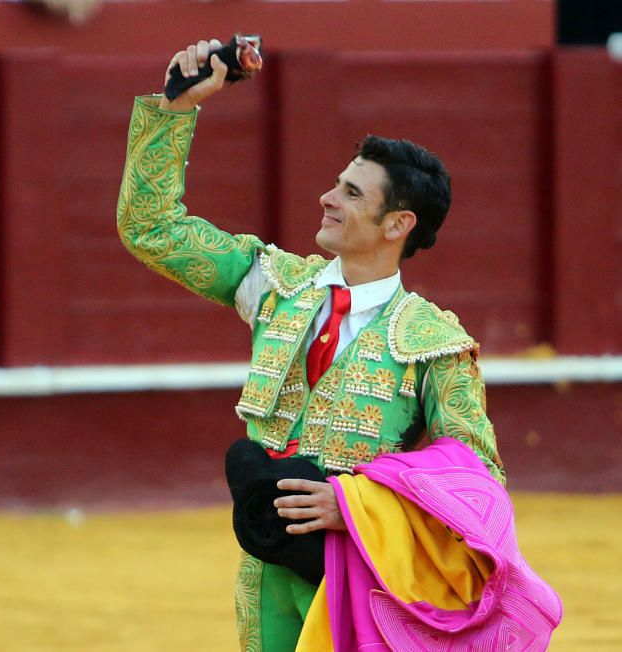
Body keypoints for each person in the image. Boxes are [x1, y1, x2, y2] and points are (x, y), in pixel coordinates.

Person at [117, 39, 506, 650]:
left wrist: (355, 505)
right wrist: (176, 112)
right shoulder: (272, 285)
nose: (327, 198)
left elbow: (477, 481)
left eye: (352, 193)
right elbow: (151, 228)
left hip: (361, 571)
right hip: (265, 560)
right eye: (336, 184)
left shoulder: (435, 343)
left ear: (398, 224)